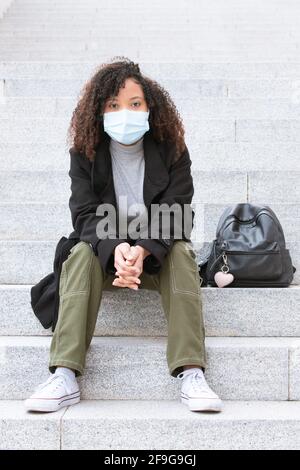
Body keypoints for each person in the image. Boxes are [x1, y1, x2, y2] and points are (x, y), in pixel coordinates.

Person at [25, 57, 222, 413]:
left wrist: (143, 251)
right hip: (104, 254)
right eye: (113, 106)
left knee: (181, 253)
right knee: (82, 254)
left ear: (150, 108)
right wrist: (115, 248)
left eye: (134, 104)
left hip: (154, 256)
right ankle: (65, 374)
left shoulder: (172, 149)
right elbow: (84, 214)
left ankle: (192, 371)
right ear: (99, 112)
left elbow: (179, 210)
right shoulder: (84, 152)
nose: (124, 113)